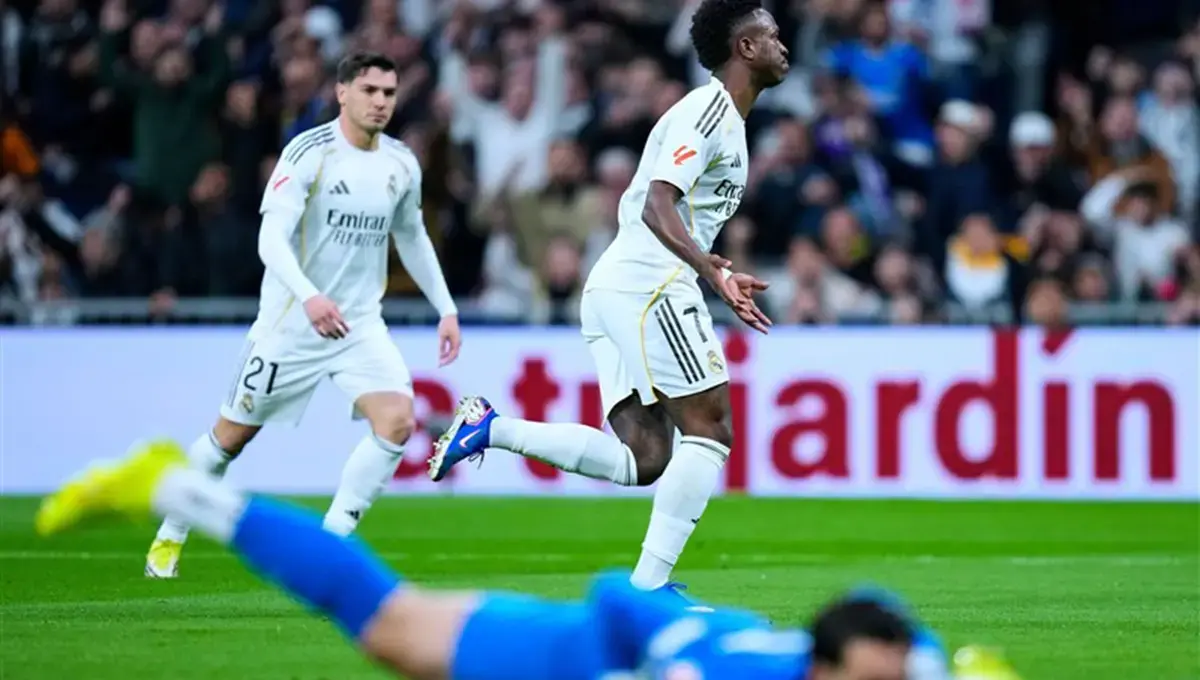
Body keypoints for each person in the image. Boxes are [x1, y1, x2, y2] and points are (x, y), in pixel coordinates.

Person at [35, 439, 1020, 680]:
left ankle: (175, 488)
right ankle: (172, 486)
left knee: (392, 625)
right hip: (578, 653)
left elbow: (889, 614)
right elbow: (619, 595)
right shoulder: (721, 673)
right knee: (388, 625)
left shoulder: (899, 661)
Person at [427, 0, 786, 605]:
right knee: (711, 429)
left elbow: (676, 211)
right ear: (744, 48)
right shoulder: (708, 112)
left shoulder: (728, 122)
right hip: (649, 285)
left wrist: (712, 267)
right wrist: (709, 270)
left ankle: (491, 429)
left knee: (642, 457)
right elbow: (656, 203)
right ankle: (649, 589)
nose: (783, 44)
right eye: (771, 35)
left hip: (623, 285)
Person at [145, 52, 462, 578]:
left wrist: (446, 309)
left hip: (359, 325)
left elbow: (412, 236)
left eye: (389, 92)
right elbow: (270, 239)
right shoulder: (309, 152)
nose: (380, 102)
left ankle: (330, 548)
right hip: (292, 323)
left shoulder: (401, 163)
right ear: (342, 93)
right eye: (369, 90)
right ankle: (169, 535)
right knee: (229, 438)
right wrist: (310, 297)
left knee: (398, 422)